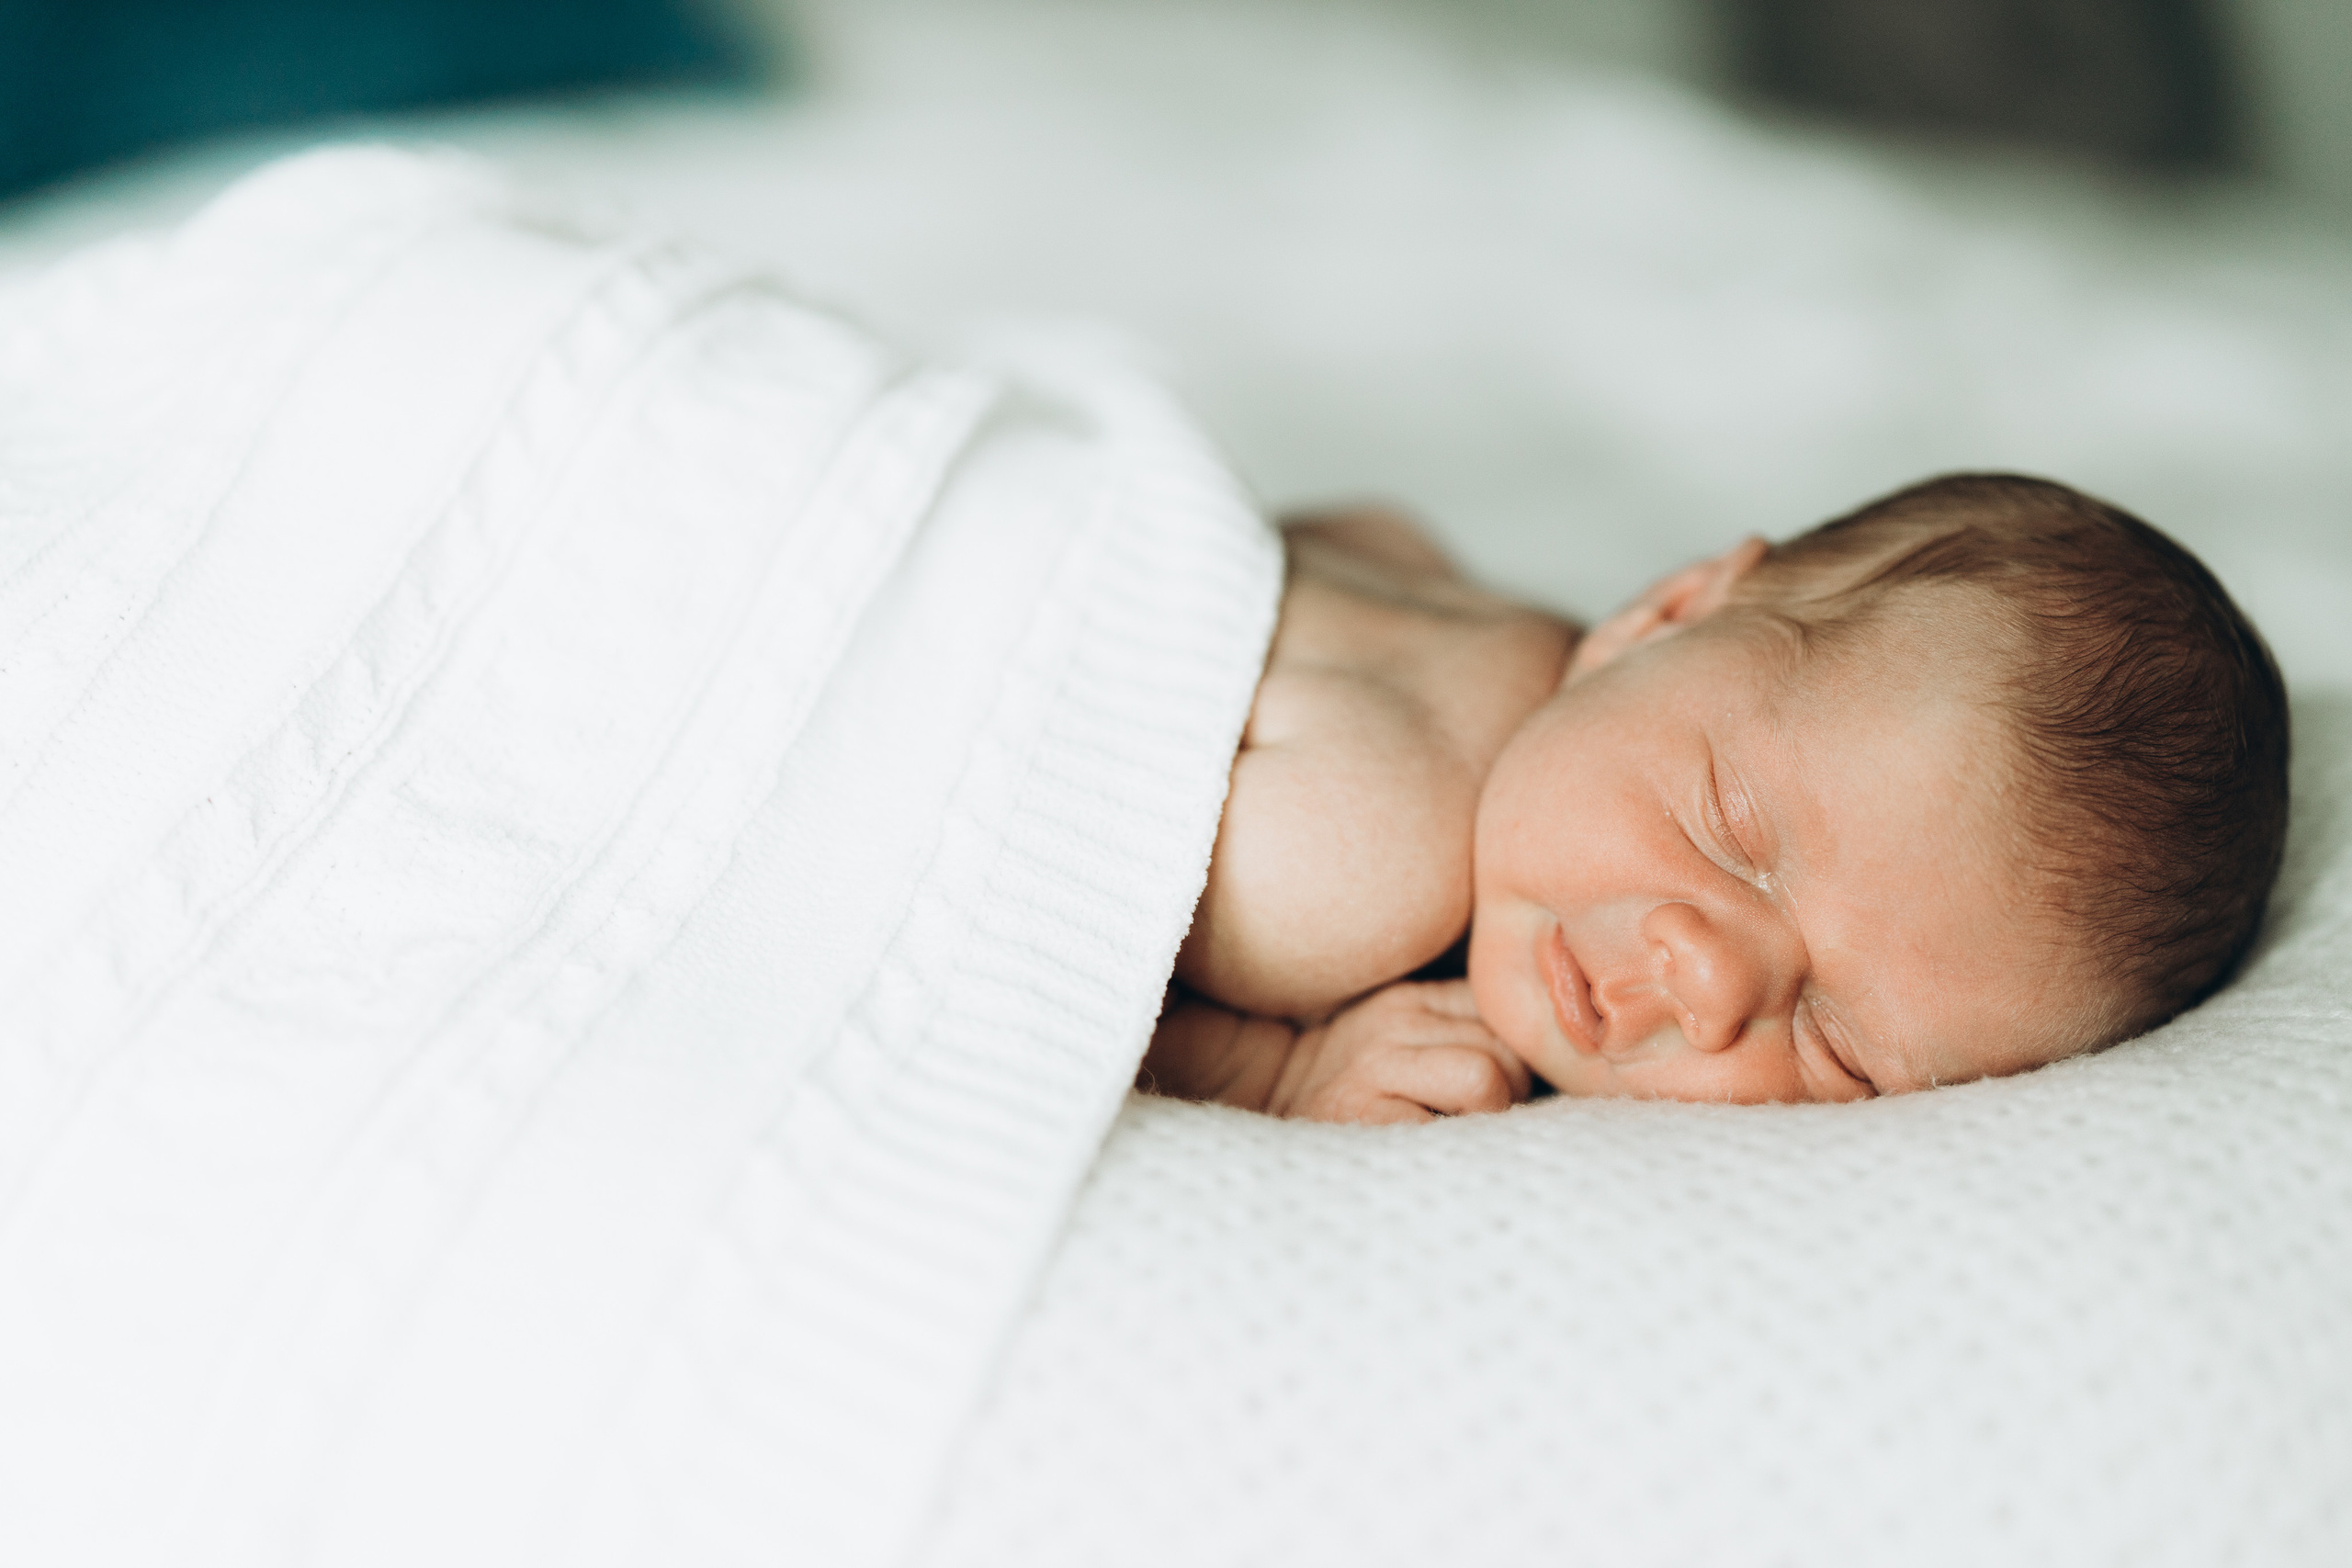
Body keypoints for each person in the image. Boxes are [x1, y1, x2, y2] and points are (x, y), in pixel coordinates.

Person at [1138, 473, 2290, 1122]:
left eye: (1837, 1049)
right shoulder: (1367, 848)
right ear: (1667, 613)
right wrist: (1267, 1075)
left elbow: (1348, 526)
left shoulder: (1475, 623)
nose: (1708, 980)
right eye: (1730, 832)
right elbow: (1006, 945)